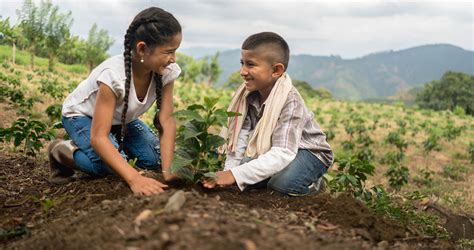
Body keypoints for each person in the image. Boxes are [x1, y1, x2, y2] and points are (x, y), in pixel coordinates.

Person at [48, 7, 182, 196]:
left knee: (153, 160)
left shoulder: (166, 73)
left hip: (120, 120)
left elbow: (167, 120)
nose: (173, 59)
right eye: (168, 52)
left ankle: (117, 149)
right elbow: (99, 137)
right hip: (83, 116)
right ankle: (61, 151)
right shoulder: (114, 77)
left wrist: (168, 172)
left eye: (175, 51)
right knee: (107, 167)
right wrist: (134, 178)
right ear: (142, 49)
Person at [203, 32, 333, 196]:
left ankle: (313, 186)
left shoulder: (290, 102)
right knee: (243, 167)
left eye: (250, 65)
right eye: (242, 63)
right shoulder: (247, 96)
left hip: (309, 152)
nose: (242, 71)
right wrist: (230, 173)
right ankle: (280, 175)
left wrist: (233, 175)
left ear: (276, 70)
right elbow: (238, 139)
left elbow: (283, 153)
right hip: (279, 150)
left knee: (282, 185)